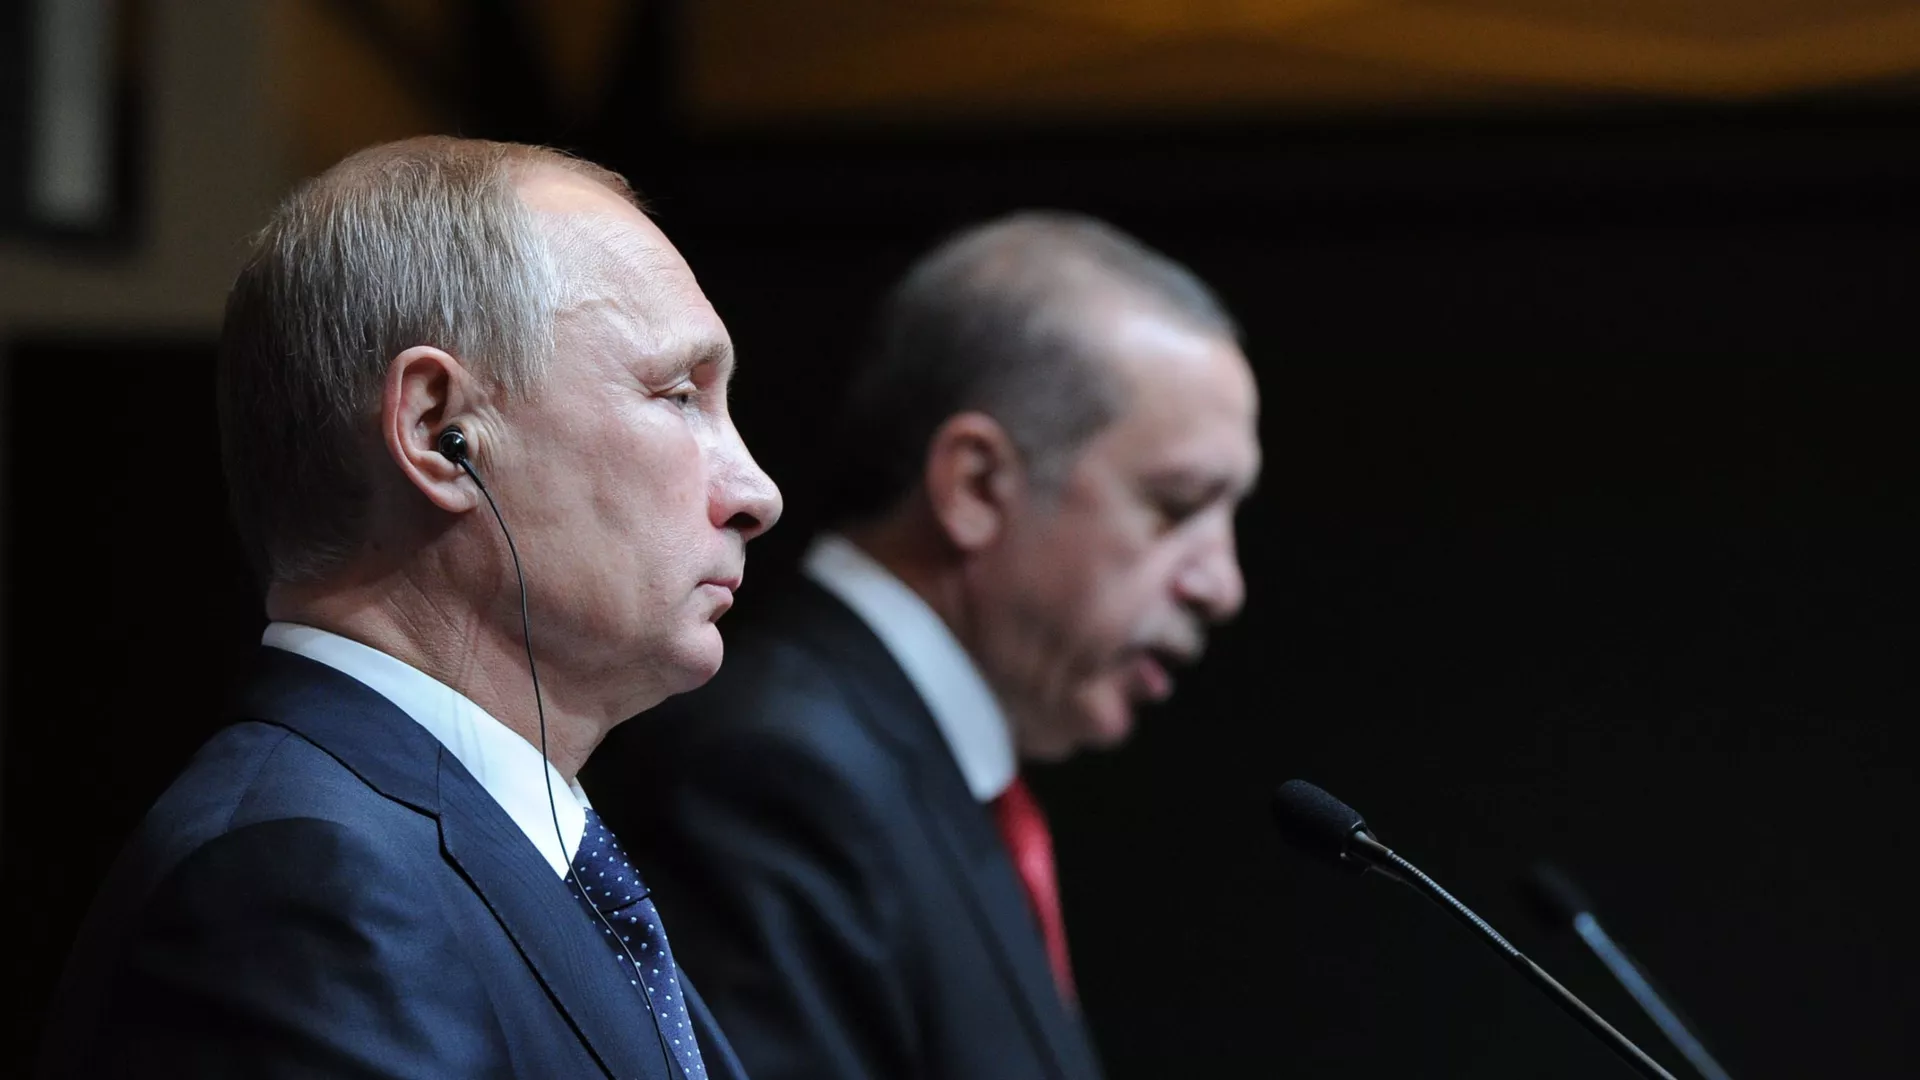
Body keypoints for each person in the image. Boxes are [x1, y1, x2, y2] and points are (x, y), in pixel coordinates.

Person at [37, 136, 781, 1079]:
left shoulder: (481, 847)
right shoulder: (305, 877)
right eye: (678, 395)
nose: (757, 493)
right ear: (439, 432)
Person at [585, 211, 1261, 1080]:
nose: (1222, 585)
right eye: (1177, 506)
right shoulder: (777, 773)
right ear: (976, 484)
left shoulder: (916, 765)